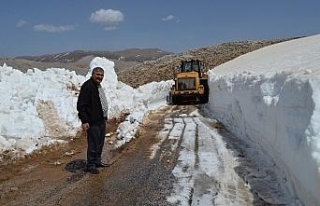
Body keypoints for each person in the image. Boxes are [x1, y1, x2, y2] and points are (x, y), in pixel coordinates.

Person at [77, 66, 110, 174]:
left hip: (101, 120)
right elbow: (81, 105)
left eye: (101, 75)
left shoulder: (98, 86)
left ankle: (97, 161)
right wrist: (85, 120)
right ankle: (90, 164)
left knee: (100, 142)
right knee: (93, 143)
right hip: (93, 121)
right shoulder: (88, 86)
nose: (100, 77)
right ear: (93, 74)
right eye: (98, 75)